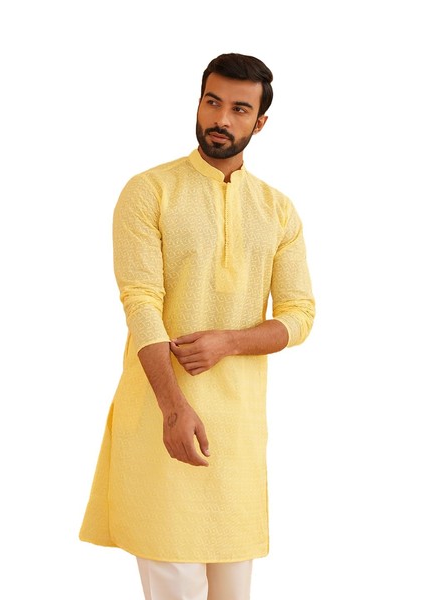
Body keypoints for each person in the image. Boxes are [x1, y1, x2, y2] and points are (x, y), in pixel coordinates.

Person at [79, 52, 315, 600]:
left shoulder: (278, 210)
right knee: (176, 588)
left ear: (260, 122)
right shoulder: (150, 191)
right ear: (199, 102)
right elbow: (141, 302)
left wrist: (228, 342)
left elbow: (300, 313)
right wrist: (173, 407)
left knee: (233, 592)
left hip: (238, 436)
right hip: (160, 421)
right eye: (213, 102)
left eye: (239, 109)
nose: (221, 119)